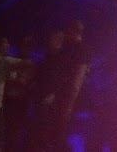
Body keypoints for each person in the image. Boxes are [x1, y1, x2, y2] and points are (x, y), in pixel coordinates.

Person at [33, 23, 89, 151]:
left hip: (57, 101)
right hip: (50, 101)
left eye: (61, 37)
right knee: (47, 136)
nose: (62, 40)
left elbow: (72, 79)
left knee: (55, 135)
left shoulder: (70, 54)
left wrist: (63, 99)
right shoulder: (53, 56)